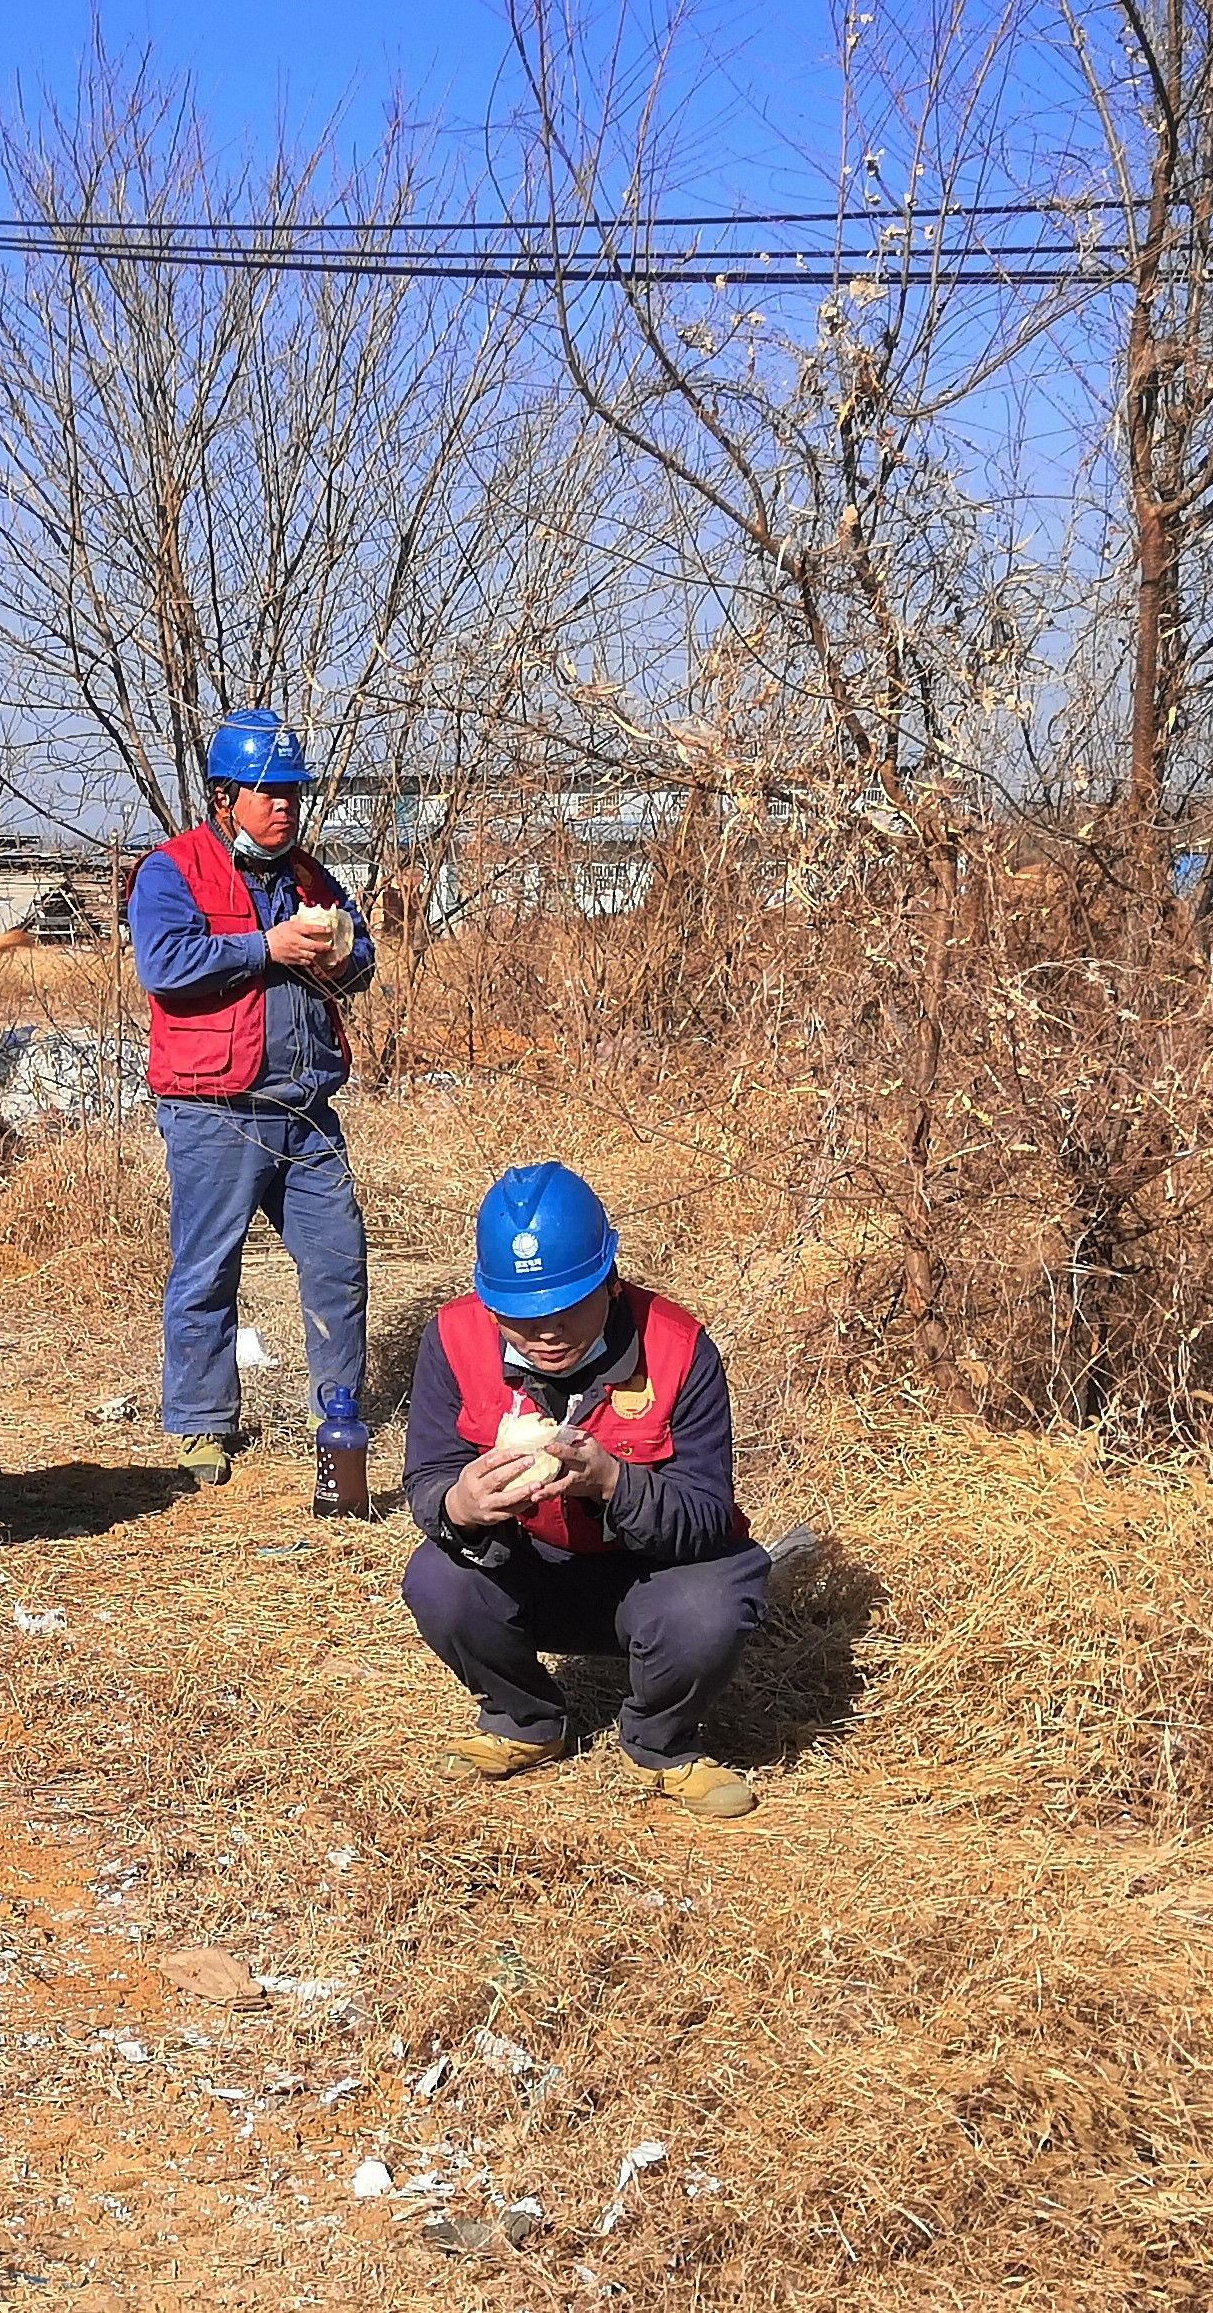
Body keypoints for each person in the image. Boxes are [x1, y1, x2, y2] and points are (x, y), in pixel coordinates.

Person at [397, 1164, 768, 1819]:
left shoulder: (681, 1349)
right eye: (518, 1315)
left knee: (714, 1603)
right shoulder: (452, 1340)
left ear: (611, 1281)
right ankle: (524, 1720)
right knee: (436, 1579)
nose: (545, 1333)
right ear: (488, 1303)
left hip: (655, 1583)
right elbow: (428, 1477)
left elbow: (709, 1516)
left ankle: (662, 1741)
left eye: (568, 1308)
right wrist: (460, 1505)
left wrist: (615, 1483)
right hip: (529, 1572)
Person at [127, 706, 376, 1504]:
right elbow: (165, 965)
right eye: (268, 792)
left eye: (293, 793)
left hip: (306, 1111)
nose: (284, 807)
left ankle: (336, 1413)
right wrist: (264, 949)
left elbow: (361, 952)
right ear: (224, 794)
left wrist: (337, 947)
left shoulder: (308, 876)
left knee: (339, 1262)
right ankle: (202, 1422)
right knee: (208, 1271)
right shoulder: (174, 870)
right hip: (214, 1110)